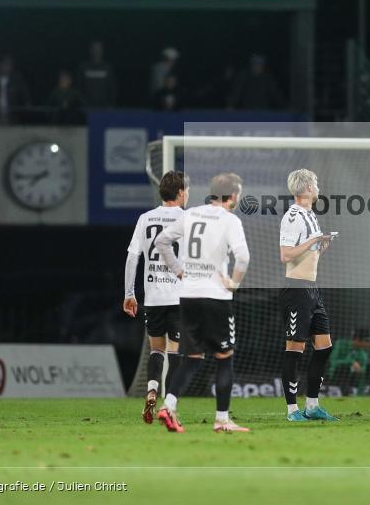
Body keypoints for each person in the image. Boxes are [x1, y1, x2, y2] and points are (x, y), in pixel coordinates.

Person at [154, 173, 251, 433]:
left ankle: (168, 405)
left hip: (188, 295)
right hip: (215, 296)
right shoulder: (230, 220)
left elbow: (161, 241)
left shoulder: (191, 214)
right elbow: (243, 257)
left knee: (192, 358)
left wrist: (178, 270)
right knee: (224, 357)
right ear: (233, 196)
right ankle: (222, 420)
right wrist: (234, 283)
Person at [122, 170, 188, 424]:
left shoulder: (145, 218)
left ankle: (151, 389)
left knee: (156, 349)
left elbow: (132, 257)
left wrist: (129, 293)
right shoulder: (186, 218)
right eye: (186, 191)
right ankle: (168, 406)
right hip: (178, 295)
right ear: (180, 192)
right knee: (176, 352)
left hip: (153, 297)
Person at [278, 169, 339, 422]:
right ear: (307, 188)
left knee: (324, 347)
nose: (318, 185)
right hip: (296, 289)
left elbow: (304, 252)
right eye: (315, 182)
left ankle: (312, 406)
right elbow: (285, 254)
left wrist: (319, 246)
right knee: (295, 348)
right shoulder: (293, 216)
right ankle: (292, 410)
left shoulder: (310, 215)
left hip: (312, 288)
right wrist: (312, 241)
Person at [328, 328, 370, 395]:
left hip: (352, 381)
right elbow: (333, 362)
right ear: (357, 340)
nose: (369, 344)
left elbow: (363, 369)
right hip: (333, 378)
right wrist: (351, 362)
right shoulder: (341, 344)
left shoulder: (362, 354)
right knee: (345, 369)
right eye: (367, 341)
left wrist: (359, 369)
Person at [0, 55, 31, 125]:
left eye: (9, 65)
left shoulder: (17, 80)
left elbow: (25, 95)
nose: (7, 67)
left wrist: (27, 104)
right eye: (5, 64)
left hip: (12, 115)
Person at [78, 40, 116, 108]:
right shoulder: (83, 67)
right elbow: (79, 88)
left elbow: (112, 88)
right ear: (90, 50)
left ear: (102, 51)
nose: (96, 51)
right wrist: (82, 105)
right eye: (94, 48)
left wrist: (111, 105)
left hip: (104, 109)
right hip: (87, 108)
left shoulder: (107, 68)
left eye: (98, 48)